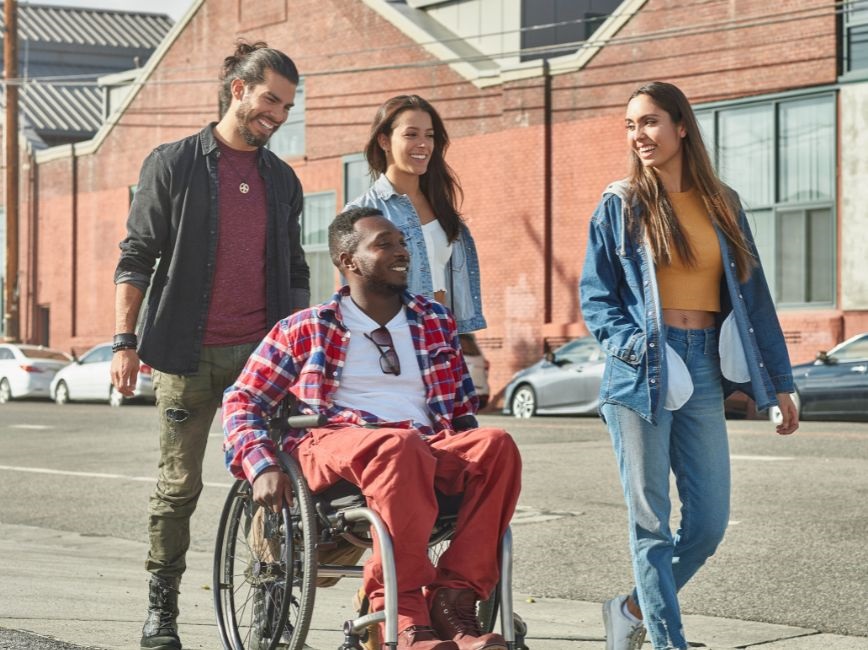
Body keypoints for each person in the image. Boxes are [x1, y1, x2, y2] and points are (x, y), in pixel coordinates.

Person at [223, 206, 521, 650]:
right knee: (397, 447)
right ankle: (400, 613)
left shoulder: (435, 322)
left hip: (422, 446)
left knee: (495, 445)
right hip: (333, 443)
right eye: (384, 244)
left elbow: (461, 414)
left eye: (401, 242)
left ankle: (453, 603)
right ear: (348, 261)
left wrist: (467, 458)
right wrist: (260, 464)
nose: (401, 251)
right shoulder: (305, 327)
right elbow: (243, 400)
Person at [579, 81, 799, 650]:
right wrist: (634, 346)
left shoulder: (722, 203)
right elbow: (596, 298)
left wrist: (779, 382)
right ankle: (666, 639)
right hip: (640, 371)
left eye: (650, 121)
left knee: (706, 525)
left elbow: (756, 299)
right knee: (650, 523)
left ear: (681, 126)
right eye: (631, 125)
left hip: (703, 366)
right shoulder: (620, 202)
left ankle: (628, 609)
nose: (639, 135)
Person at [110, 41, 310, 650]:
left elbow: (296, 271)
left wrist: (302, 351)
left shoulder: (283, 180)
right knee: (178, 488)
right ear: (238, 90)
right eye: (270, 100)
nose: (277, 115)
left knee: (268, 480)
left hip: (263, 358)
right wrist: (124, 341)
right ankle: (161, 609)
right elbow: (136, 256)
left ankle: (267, 598)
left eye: (287, 106)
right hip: (187, 355)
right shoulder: (172, 164)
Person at [345, 95, 485, 334]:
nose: (423, 144)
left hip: (443, 336)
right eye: (411, 135)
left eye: (429, 136)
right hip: (397, 339)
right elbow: (357, 296)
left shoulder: (442, 208)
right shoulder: (361, 214)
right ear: (384, 141)